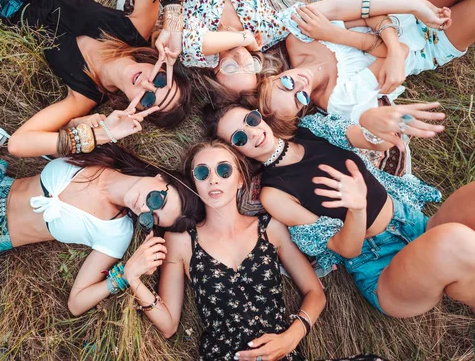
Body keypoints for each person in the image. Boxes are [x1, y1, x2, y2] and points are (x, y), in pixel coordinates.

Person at [0, 106, 200, 316]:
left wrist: (125, 274)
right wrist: (102, 131)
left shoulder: (116, 232)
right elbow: (30, 139)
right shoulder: (104, 150)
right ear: (161, 178)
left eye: (151, 219)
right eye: (158, 201)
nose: (145, 209)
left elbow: (77, 302)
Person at [122, 140, 385, 361]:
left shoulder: (270, 228)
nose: (214, 179)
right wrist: (133, 280)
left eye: (224, 170)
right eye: (202, 173)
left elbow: (314, 292)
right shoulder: (180, 241)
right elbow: (169, 325)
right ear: (194, 182)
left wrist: (292, 337)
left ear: (240, 180)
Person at [207, 104, 475, 317]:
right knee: (456, 240)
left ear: (260, 116)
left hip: (412, 221)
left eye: (250, 120)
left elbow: (374, 141)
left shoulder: (310, 129)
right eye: (239, 137)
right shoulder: (274, 193)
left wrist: (376, 122)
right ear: (236, 153)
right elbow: (347, 249)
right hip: (380, 266)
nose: (252, 132)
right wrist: (356, 209)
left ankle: (459, 274)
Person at [0, 0, 191, 129]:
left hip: (2, 3)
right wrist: (174, 21)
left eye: (148, 100)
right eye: (160, 81)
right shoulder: (135, 31)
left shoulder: (85, 96)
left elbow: (20, 143)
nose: (147, 84)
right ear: (160, 67)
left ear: (133, 109)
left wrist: (99, 132)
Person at [258, 0, 475, 131]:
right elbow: (403, 50)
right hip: (428, 46)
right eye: (299, 99)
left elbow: (370, 13)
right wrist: (334, 34)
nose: (300, 86)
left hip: (402, 3)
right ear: (301, 110)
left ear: (272, 77)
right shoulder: (338, 101)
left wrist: (394, 46)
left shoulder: (298, 39)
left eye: (285, 84)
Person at [181, 0, 450, 96]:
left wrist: (241, 38)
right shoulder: (268, 31)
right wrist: (413, 7)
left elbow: (192, 42)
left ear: (212, 70)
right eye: (249, 67)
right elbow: (334, 8)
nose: (239, 58)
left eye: (230, 68)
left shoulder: (199, 52)